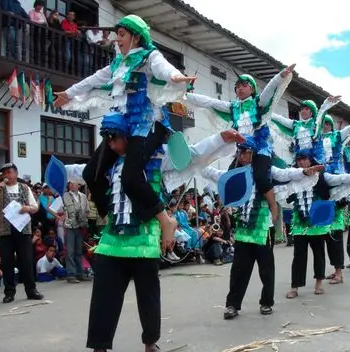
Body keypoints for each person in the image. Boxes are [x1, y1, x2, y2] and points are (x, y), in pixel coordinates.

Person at [62, 113, 245, 352]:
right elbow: (81, 170)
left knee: (148, 297)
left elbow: (194, 154)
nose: (111, 144)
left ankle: (150, 343)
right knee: (103, 298)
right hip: (112, 240)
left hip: (144, 238)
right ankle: (100, 346)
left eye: (114, 138)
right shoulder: (110, 164)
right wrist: (59, 169)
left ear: (129, 137)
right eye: (106, 139)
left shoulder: (158, 158)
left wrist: (221, 138)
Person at [53, 14, 196, 247]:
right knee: (91, 174)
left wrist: (177, 77)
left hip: (146, 125)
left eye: (121, 35)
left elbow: (164, 70)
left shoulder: (150, 57)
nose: (117, 39)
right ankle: (110, 218)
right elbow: (91, 80)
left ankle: (165, 219)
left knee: (130, 177)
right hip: (122, 126)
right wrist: (68, 94)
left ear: (136, 37)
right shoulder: (117, 64)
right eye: (116, 35)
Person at [201, 137, 322, 319]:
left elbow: (285, 174)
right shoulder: (234, 172)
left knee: (266, 268)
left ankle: (266, 302)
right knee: (239, 270)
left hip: (263, 227)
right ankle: (232, 305)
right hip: (243, 229)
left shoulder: (265, 170)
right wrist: (196, 163)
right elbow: (214, 174)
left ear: (254, 153)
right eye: (240, 151)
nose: (242, 155)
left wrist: (304, 172)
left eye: (246, 151)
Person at [184, 64, 296, 224]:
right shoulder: (233, 107)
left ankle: (273, 205)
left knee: (261, 178)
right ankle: (231, 210)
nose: (240, 89)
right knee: (230, 178)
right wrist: (187, 94)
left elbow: (269, 90)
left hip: (260, 149)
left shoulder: (259, 104)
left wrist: (280, 76)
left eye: (244, 86)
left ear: (252, 89)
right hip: (242, 150)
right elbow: (209, 102)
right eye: (237, 86)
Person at [285, 150, 350, 298]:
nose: (301, 162)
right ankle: (295, 287)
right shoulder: (294, 177)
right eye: (298, 160)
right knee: (298, 256)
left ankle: (318, 284)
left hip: (317, 223)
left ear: (310, 161)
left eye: (304, 159)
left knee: (319, 254)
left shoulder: (322, 177)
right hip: (299, 224)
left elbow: (339, 179)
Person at [0, 163, 44, 303]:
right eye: (5, 173)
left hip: (22, 229)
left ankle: (31, 290)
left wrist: (26, 208)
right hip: (4, 231)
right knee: (7, 261)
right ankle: (9, 292)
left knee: (26, 260)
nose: (7, 176)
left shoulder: (24, 188)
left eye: (9, 172)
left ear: (16, 173)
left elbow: (35, 207)